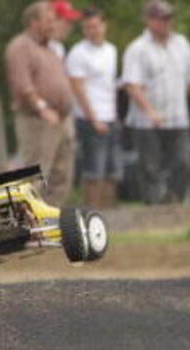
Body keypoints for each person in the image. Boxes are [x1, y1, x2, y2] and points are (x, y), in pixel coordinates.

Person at [122, 0, 190, 204]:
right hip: (146, 122)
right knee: (149, 167)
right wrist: (149, 111)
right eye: (161, 18)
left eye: (168, 18)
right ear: (148, 21)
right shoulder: (137, 48)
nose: (166, 22)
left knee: (182, 163)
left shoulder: (182, 44)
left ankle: (174, 204)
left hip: (177, 118)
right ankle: (154, 208)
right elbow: (132, 85)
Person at [5, 1, 75, 206]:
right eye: (49, 21)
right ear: (33, 22)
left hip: (61, 119)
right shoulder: (21, 46)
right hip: (37, 120)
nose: (53, 25)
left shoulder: (50, 49)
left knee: (61, 175)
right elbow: (22, 84)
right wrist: (42, 107)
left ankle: (50, 221)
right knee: (35, 174)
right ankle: (25, 223)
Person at [66, 6, 121, 208]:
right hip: (90, 117)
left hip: (110, 115)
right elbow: (78, 88)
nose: (93, 31)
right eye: (88, 27)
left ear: (104, 26)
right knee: (93, 170)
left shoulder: (111, 50)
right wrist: (93, 118)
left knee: (112, 170)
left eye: (96, 26)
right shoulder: (78, 53)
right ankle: (91, 212)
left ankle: (109, 214)